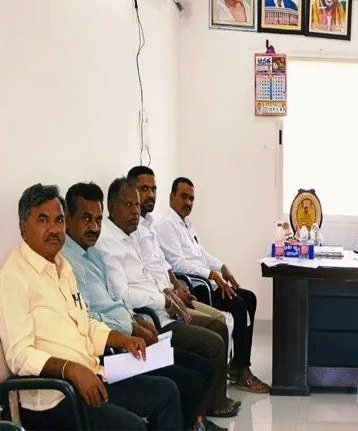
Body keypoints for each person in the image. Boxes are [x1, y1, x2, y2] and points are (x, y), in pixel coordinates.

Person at [0, 184, 183, 431]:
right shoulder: (14, 276)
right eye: (43, 220)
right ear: (23, 228)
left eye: (59, 220)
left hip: (90, 374)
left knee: (167, 391)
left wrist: (123, 339)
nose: (53, 229)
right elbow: (19, 355)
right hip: (53, 396)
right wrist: (71, 370)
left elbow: (84, 323)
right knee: (131, 427)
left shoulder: (62, 266)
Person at [61, 182, 228, 431]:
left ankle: (194, 423)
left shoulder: (94, 254)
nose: (94, 227)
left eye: (97, 220)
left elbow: (116, 299)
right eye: (86, 219)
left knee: (200, 368)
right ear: (68, 220)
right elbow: (90, 316)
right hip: (112, 351)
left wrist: (137, 321)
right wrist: (131, 329)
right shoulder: (68, 264)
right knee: (185, 381)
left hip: (133, 335)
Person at [95, 178, 240, 417]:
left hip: (162, 308)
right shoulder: (108, 244)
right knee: (213, 343)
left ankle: (206, 408)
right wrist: (165, 300)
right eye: (129, 205)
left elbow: (153, 272)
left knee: (218, 327)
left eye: (137, 205)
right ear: (112, 206)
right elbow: (123, 294)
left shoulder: (130, 235)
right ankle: (209, 407)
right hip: (151, 321)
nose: (135, 211)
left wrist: (170, 293)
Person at [156, 177, 270, 394]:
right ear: (171, 197)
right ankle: (243, 373)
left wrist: (221, 267)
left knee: (249, 298)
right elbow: (177, 263)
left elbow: (201, 254)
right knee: (239, 305)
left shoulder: (186, 224)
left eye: (191, 198)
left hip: (207, 280)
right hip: (196, 287)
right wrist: (212, 275)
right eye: (183, 197)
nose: (188, 202)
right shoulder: (166, 226)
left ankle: (238, 364)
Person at [126, 167, 226, 324]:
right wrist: (171, 293)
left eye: (154, 189)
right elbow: (148, 273)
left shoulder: (151, 224)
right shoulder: (134, 230)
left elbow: (164, 263)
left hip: (173, 292)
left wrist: (177, 288)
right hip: (161, 302)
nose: (151, 195)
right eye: (144, 189)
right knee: (218, 323)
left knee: (221, 318)